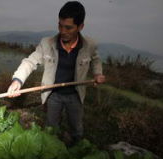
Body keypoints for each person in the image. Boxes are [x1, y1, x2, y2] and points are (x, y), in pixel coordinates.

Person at [7, 1, 105, 145]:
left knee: (76, 128)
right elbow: (30, 61)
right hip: (53, 95)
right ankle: (50, 151)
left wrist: (98, 74)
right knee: (51, 128)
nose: (62, 31)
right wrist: (17, 80)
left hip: (75, 95)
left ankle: (76, 151)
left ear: (80, 26)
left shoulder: (89, 45)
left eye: (68, 27)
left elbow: (95, 60)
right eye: (60, 25)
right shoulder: (47, 43)